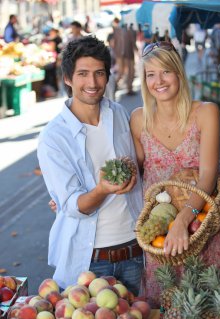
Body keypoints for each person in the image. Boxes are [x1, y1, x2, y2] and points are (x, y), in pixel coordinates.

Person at [130, 41, 220, 307]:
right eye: (150, 74)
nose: (158, 81)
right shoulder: (139, 119)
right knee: (167, 306)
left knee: (209, 308)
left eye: (165, 71)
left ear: (178, 73)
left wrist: (182, 220)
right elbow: (134, 168)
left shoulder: (206, 112)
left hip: (203, 227)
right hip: (160, 233)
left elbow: (208, 176)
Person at [37, 36, 144, 294]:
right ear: (67, 78)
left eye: (99, 73)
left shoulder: (118, 113)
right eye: (82, 74)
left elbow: (139, 166)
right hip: (91, 261)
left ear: (107, 76)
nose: (92, 83)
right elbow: (73, 206)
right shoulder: (53, 138)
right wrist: (101, 190)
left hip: (135, 252)